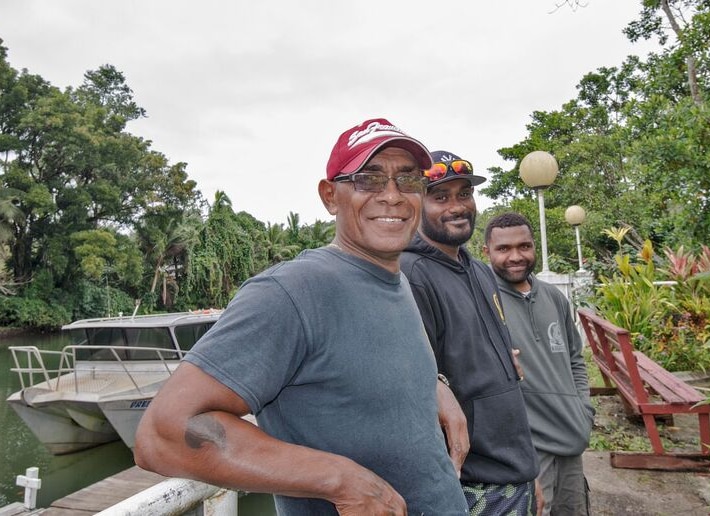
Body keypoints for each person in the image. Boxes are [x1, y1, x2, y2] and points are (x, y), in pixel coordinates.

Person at [134, 118, 471, 516]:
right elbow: (163, 434)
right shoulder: (292, 291)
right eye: (369, 179)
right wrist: (339, 479)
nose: (393, 196)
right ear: (330, 196)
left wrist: (433, 386)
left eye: (408, 180)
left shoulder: (395, 280)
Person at [400, 150, 541, 515]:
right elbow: (416, 384)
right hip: (471, 481)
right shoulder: (410, 276)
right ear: (416, 202)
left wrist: (531, 470)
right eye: (441, 196)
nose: (456, 206)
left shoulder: (478, 270)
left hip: (514, 468)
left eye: (464, 194)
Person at [483, 212, 594, 516]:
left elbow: (575, 360)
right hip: (529, 448)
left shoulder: (554, 297)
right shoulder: (482, 302)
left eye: (524, 246)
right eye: (503, 249)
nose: (515, 256)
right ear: (487, 253)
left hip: (572, 437)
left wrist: (583, 410)